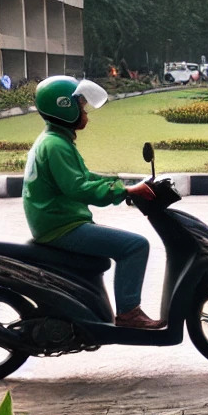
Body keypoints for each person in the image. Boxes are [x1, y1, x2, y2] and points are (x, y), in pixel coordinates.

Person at [23, 75, 160, 329]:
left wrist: (124, 185)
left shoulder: (55, 140)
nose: (85, 112)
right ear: (64, 107)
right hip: (61, 227)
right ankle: (129, 312)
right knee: (135, 246)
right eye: (81, 106)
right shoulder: (55, 145)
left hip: (57, 222)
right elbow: (79, 188)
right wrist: (125, 191)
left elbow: (84, 178)